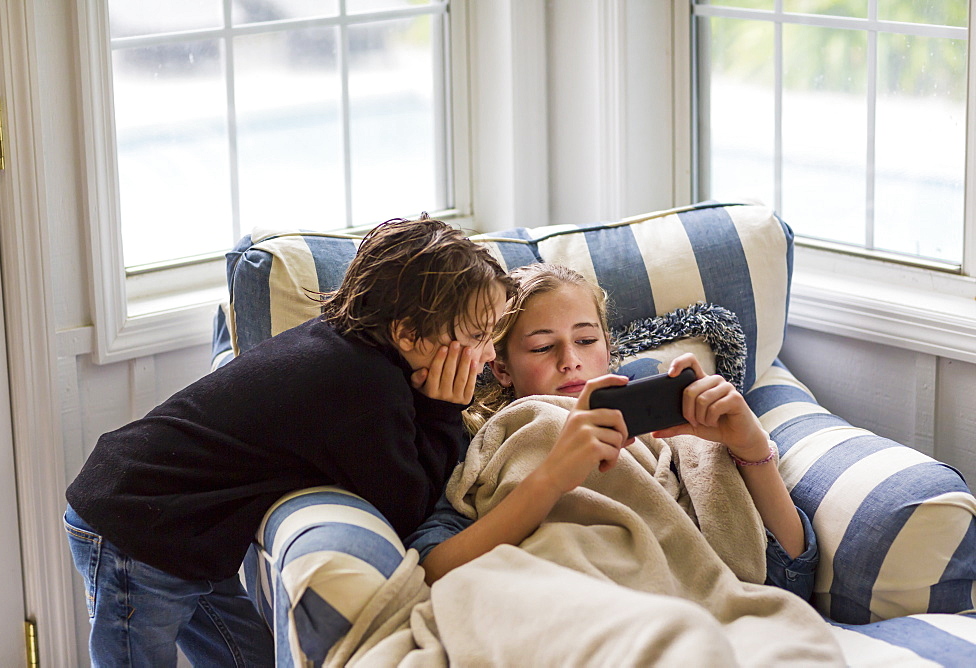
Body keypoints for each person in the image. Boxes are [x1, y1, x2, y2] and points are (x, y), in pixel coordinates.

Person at [64, 216, 514, 666]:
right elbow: (406, 511)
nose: (490, 353)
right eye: (478, 336)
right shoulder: (360, 385)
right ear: (407, 333)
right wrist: (441, 409)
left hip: (178, 528)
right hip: (134, 523)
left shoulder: (350, 348)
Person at [409, 262, 818, 598]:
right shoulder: (490, 442)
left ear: (607, 348)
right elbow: (430, 568)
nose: (570, 360)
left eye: (586, 340)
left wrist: (752, 448)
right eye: (542, 347)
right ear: (501, 368)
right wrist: (550, 478)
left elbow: (790, 574)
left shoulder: (679, 436)